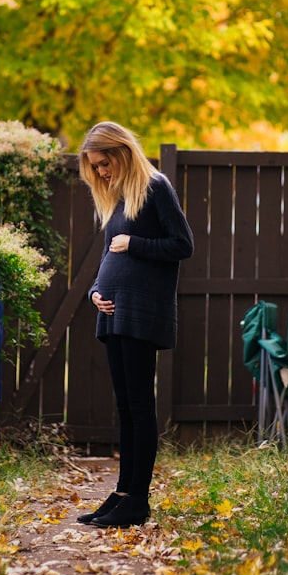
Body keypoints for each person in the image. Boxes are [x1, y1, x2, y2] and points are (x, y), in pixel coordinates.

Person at [74, 121, 194, 528]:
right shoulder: (119, 198)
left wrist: (136, 244)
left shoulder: (155, 187)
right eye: (95, 167)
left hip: (142, 312)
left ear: (123, 153)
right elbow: (110, 255)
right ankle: (123, 492)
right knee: (124, 407)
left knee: (140, 406)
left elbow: (183, 244)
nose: (101, 172)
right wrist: (94, 291)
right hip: (114, 312)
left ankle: (137, 500)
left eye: (105, 163)